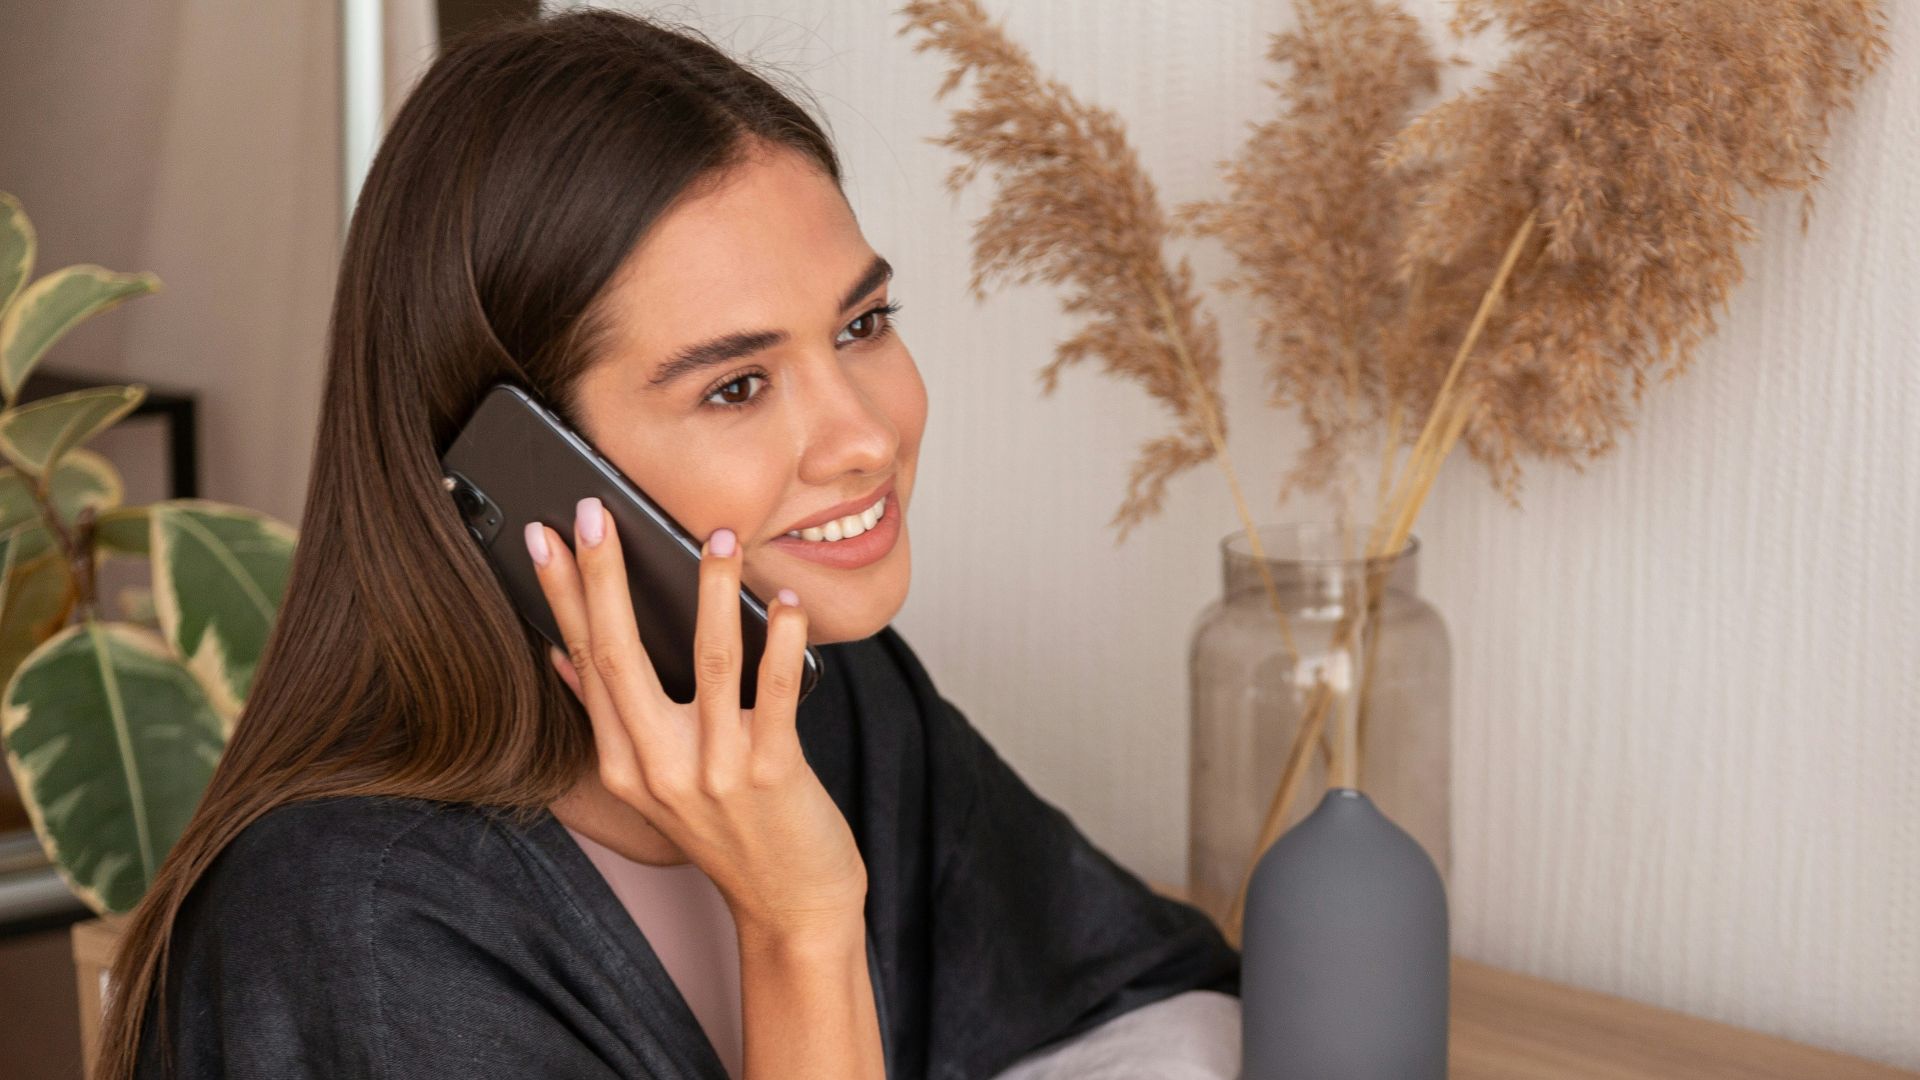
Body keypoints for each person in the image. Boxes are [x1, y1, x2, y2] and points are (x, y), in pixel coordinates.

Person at [98, 9, 1240, 1079]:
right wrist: (800, 927)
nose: (861, 436)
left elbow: (1153, 1002)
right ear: (521, 467)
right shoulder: (354, 931)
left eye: (863, 325)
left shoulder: (836, 706)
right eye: (737, 386)